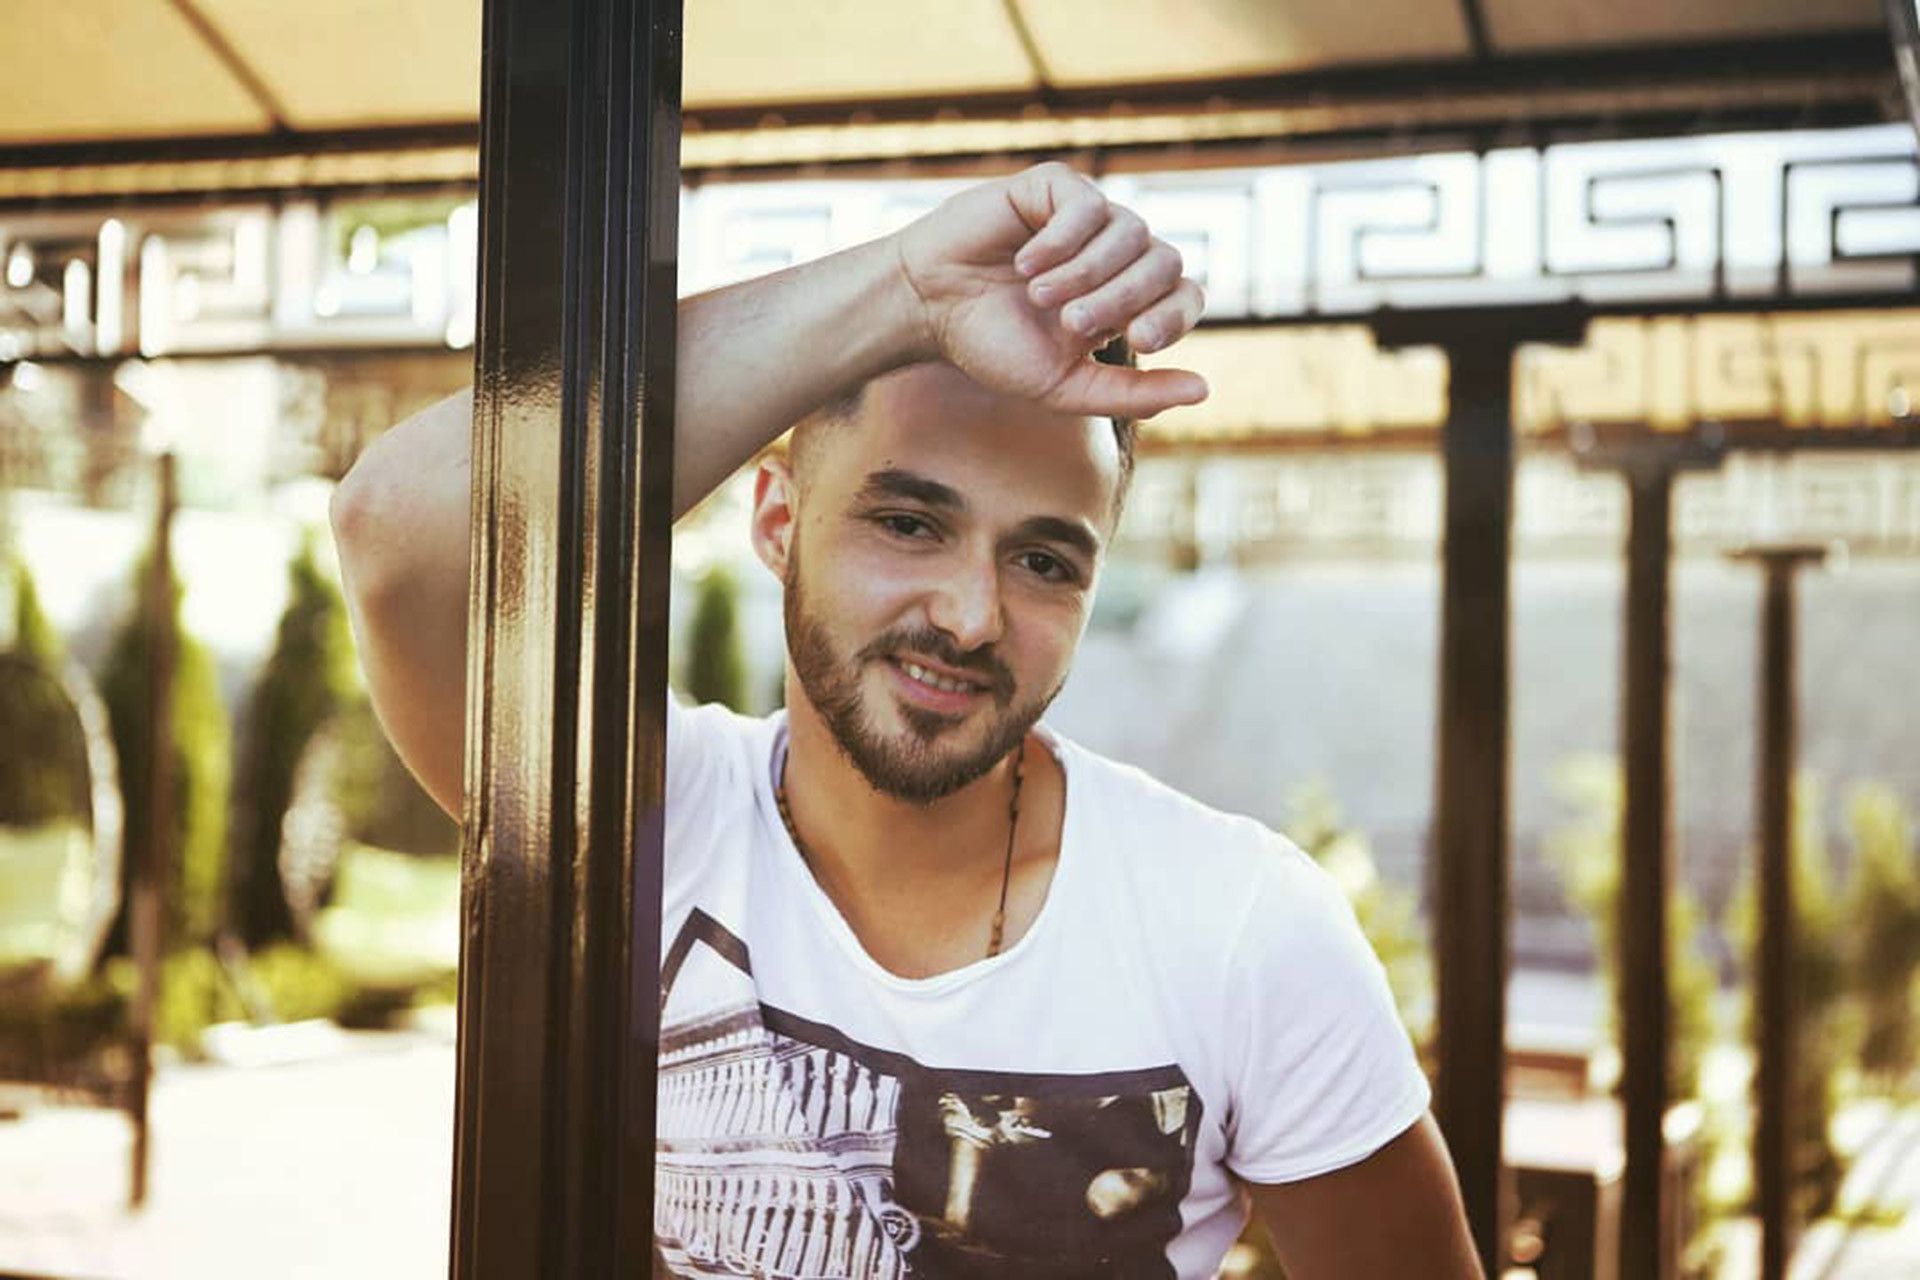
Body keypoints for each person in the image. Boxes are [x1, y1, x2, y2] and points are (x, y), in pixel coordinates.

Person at [332, 162, 1482, 1279]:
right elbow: (400, 526)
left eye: (1044, 560)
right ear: (776, 519)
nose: (972, 616)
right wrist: (901, 290)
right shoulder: (646, 819)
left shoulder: (1241, 928)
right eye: (909, 523)